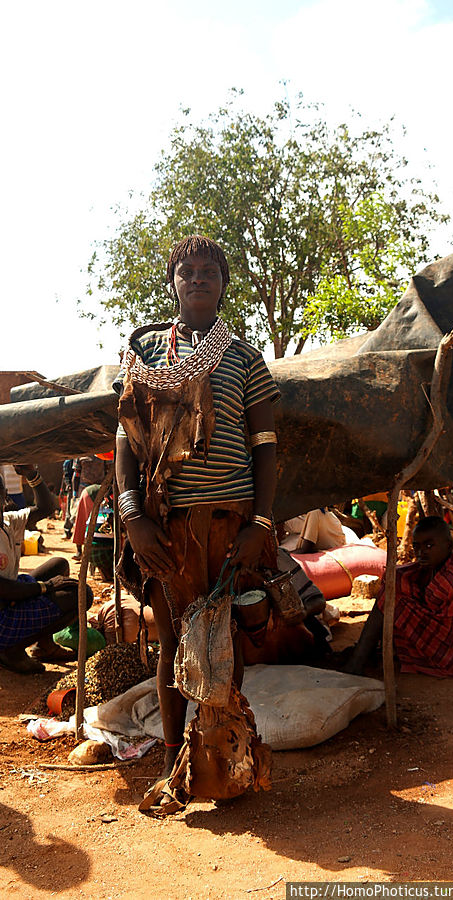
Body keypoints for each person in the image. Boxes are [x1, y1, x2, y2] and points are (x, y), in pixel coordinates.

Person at [114, 235, 280, 807]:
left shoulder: (245, 359)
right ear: (173, 282)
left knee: (223, 641)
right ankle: (171, 761)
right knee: (171, 641)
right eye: (187, 270)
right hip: (166, 527)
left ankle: (226, 767)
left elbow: (266, 445)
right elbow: (126, 441)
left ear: (223, 283)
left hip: (230, 526)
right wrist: (133, 515)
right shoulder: (146, 354)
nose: (198, 277)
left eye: (210, 270)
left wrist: (260, 523)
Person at [342, 516, 453, 678]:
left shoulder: (448, 580)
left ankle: (358, 661)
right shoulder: (449, 564)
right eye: (417, 546)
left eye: (429, 546)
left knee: (390, 599)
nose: (422, 553)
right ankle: (367, 652)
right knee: (394, 586)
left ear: (448, 546)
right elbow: (402, 574)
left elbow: (422, 596)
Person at [0, 466, 92, 674]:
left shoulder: (7, 521)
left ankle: (44, 645)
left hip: (9, 597)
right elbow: (3, 588)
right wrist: (45, 587)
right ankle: (10, 650)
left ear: (3, 497)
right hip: (2, 614)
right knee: (81, 595)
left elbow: (46, 508)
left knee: (59, 565)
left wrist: (32, 474)